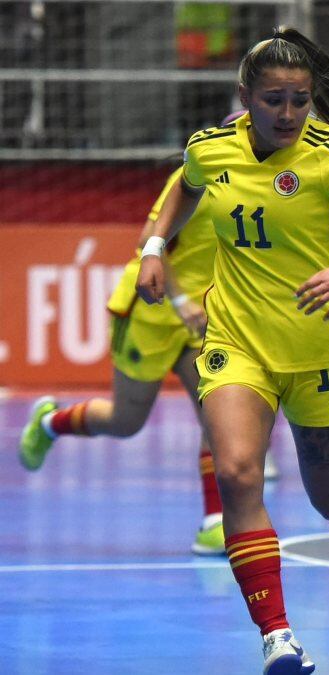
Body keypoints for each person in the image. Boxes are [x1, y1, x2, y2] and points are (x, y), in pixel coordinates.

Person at [135, 28, 329, 675]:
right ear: (247, 97)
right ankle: (279, 635)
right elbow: (183, 186)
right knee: (238, 473)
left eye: (299, 100)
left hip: (318, 353)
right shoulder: (212, 149)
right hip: (237, 344)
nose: (288, 114)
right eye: (274, 101)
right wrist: (155, 247)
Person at [18, 120, 251, 556]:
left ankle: (215, 522)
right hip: (154, 309)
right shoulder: (193, 177)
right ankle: (49, 423)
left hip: (207, 321)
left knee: (217, 415)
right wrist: (181, 302)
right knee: (126, 421)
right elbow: (150, 240)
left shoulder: (265, 186)